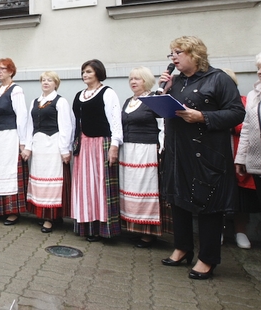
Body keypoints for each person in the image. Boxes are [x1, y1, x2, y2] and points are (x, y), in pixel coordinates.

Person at [159, 36, 244, 280]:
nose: (173, 57)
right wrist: (163, 92)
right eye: (171, 53)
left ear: (194, 54)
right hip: (178, 151)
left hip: (206, 153)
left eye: (178, 52)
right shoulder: (175, 81)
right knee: (178, 198)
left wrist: (203, 117)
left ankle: (208, 258)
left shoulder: (218, 79)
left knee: (208, 203)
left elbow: (237, 112)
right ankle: (182, 247)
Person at [70, 59, 123, 242]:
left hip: (101, 144)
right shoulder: (79, 95)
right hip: (83, 145)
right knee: (86, 186)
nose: (85, 75)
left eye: (89, 72)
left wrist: (115, 145)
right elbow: (74, 122)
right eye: (84, 72)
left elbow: (115, 120)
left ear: (98, 73)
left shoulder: (107, 93)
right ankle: (89, 227)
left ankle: (105, 229)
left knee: (101, 185)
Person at [22, 71, 74, 233]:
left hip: (53, 145)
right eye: (43, 80)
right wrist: (28, 147)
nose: (45, 82)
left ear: (55, 83)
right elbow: (29, 126)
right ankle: (43, 214)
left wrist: (65, 149)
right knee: (41, 180)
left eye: (49, 80)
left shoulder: (61, 102)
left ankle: (51, 217)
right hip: (39, 145)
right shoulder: (35, 102)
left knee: (52, 181)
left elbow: (66, 126)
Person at [118, 67, 164, 247]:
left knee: (144, 189)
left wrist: (161, 149)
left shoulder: (154, 100)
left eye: (137, 79)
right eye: (131, 79)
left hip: (145, 150)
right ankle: (134, 228)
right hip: (128, 151)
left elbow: (163, 126)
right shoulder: (129, 101)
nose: (133, 82)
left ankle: (148, 233)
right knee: (130, 188)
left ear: (146, 80)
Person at [0, 58, 29, 225]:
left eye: (2, 69)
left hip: (10, 136)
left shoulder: (16, 90)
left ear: (11, 71)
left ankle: (13, 212)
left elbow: (22, 116)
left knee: (9, 172)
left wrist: (23, 141)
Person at [234, 50, 261, 270]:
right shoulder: (255, 94)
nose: (259, 71)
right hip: (259, 161)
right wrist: (241, 157)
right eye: (259, 67)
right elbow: (246, 128)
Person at [222, 68, 255, 249]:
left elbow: (248, 125)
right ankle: (217, 230)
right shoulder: (210, 103)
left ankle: (240, 231)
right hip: (217, 157)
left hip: (238, 156)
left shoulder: (244, 100)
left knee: (241, 197)